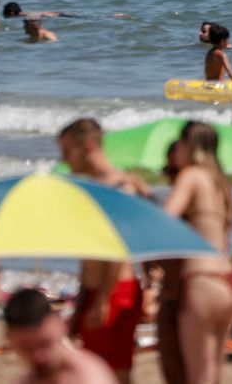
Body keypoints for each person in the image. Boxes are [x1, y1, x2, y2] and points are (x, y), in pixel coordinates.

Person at [58, 120, 148, 380]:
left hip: (116, 292)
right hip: (95, 291)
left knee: (115, 373)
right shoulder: (93, 186)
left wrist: (102, 300)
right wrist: (83, 300)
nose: (64, 160)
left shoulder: (120, 187)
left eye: (67, 152)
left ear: (87, 146)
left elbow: (118, 248)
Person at [160, 122, 232, 384]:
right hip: (228, 282)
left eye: (179, 143)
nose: (177, 149)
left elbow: (165, 219)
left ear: (189, 146)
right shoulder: (223, 185)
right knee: (214, 374)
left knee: (198, 377)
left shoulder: (191, 175)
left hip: (201, 281)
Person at [3, 288, 120, 384]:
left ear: (61, 325)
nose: (38, 356)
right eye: (26, 347)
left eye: (45, 343)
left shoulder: (89, 377)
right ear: (10, 338)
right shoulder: (30, 379)